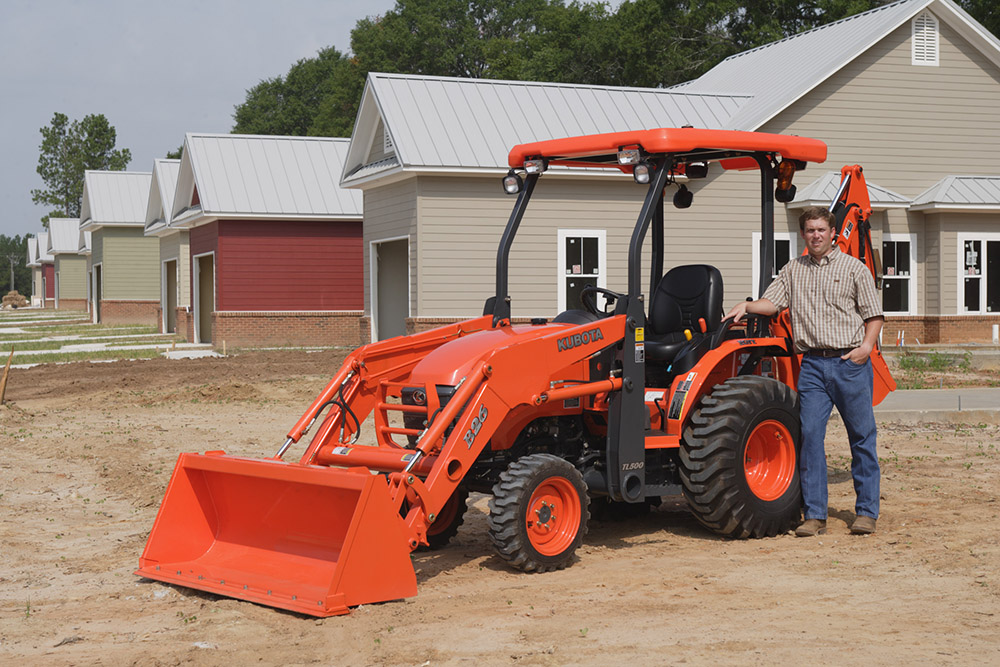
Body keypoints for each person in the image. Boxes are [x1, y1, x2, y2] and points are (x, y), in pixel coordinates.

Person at [726, 207, 884, 537]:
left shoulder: (854, 268)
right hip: (812, 365)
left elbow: (874, 316)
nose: (815, 235)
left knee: (862, 438)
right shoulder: (793, 269)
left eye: (821, 230)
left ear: (832, 233)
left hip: (849, 364)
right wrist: (748, 305)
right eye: (810, 230)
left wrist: (866, 349)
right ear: (803, 234)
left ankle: (866, 512)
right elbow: (773, 303)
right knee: (809, 437)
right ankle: (814, 515)